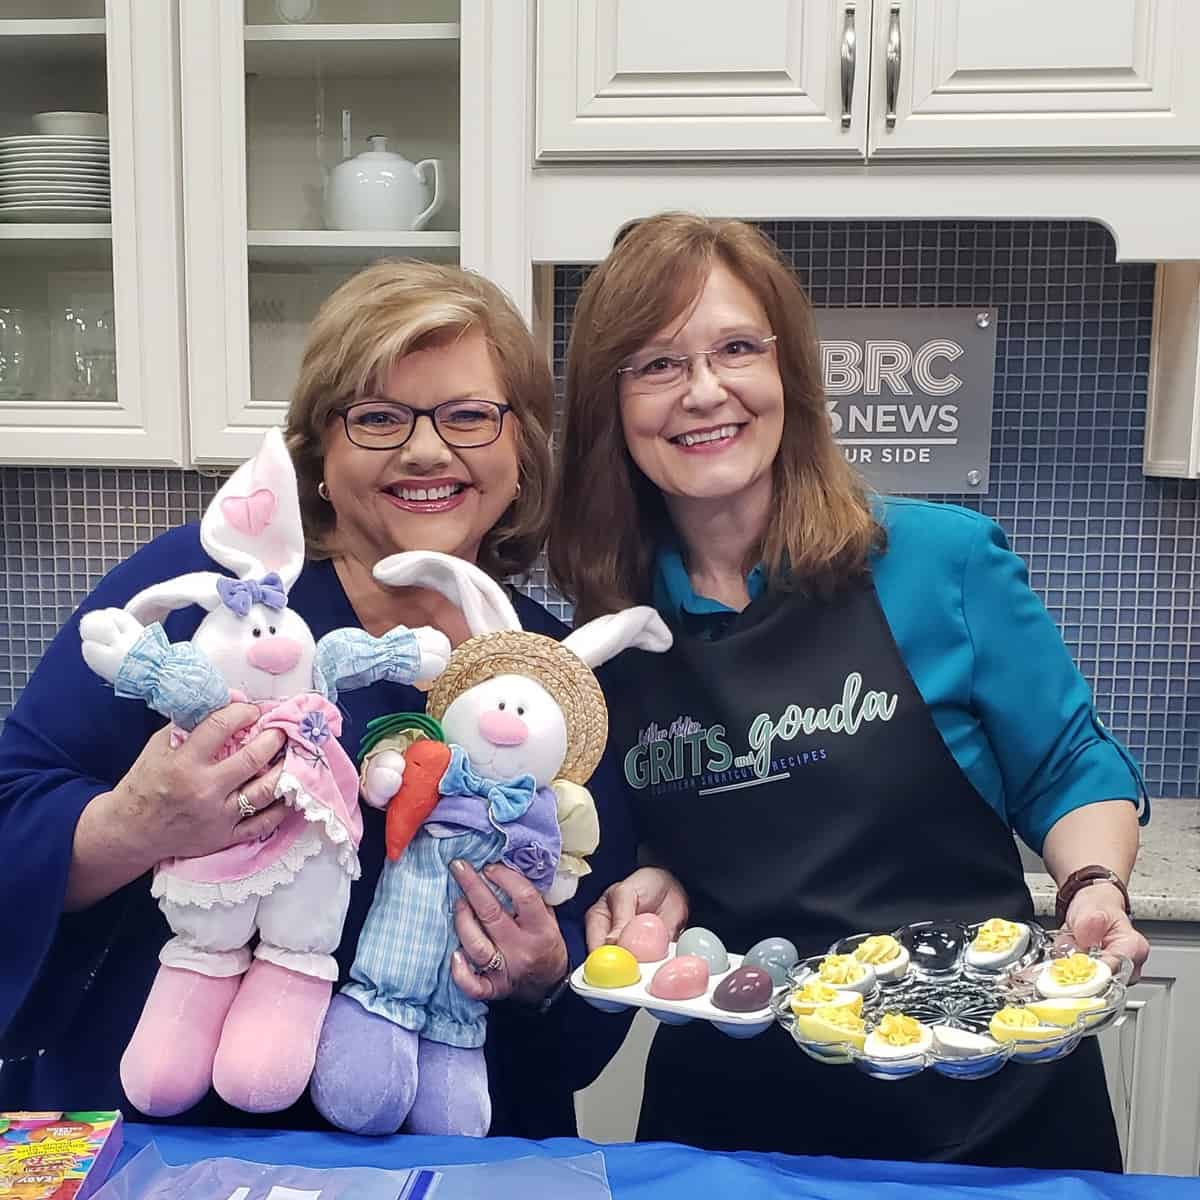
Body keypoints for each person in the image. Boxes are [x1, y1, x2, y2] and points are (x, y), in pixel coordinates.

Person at [548, 213, 1150, 1171]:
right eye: (656, 364)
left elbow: (1069, 764)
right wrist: (653, 871)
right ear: (609, 405)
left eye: (737, 348)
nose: (705, 392)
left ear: (788, 372)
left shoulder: (938, 561)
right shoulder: (609, 635)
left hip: (984, 1109)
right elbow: (652, 831)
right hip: (731, 1124)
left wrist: (1091, 886)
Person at [0, 260, 635, 1135]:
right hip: (170, 1136)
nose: (425, 449)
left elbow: (589, 984)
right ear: (318, 458)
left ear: (520, 453)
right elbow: (10, 811)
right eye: (377, 417)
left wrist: (542, 969)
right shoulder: (213, 598)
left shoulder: (547, 681)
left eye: (469, 415)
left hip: (436, 1154)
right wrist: (131, 827)